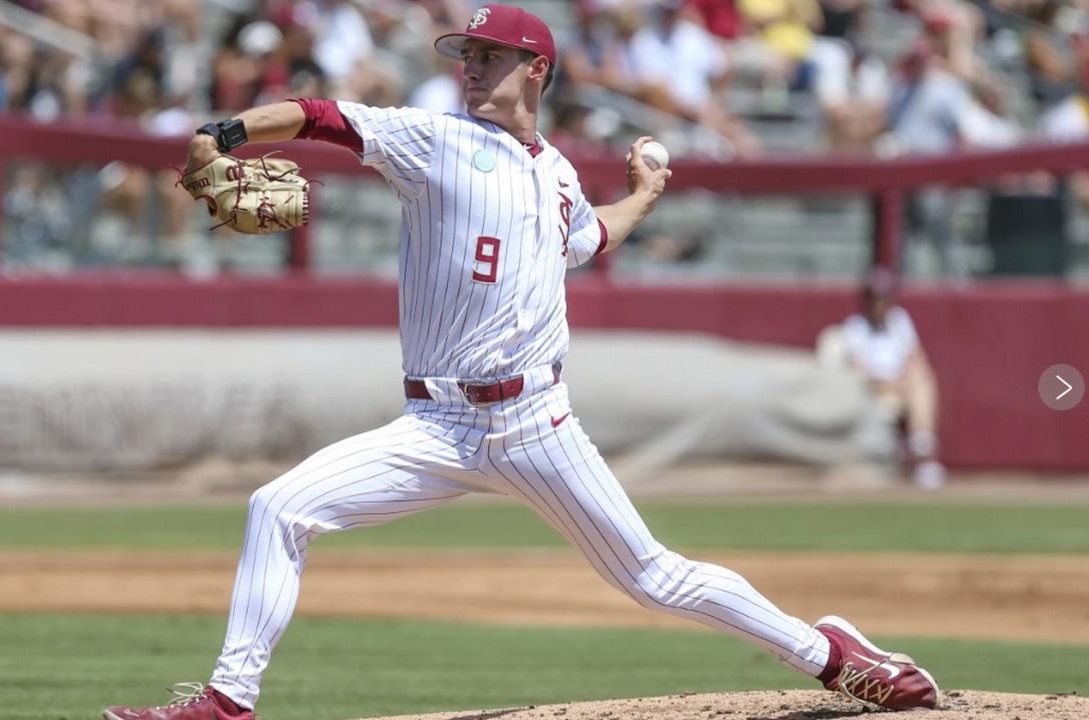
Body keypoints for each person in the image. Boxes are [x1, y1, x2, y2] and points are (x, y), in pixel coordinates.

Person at [102, 5, 939, 719]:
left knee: (654, 577)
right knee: (279, 506)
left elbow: (588, 237)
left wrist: (644, 193)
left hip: (534, 424)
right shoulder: (432, 142)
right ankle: (225, 703)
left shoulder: (559, 174)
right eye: (466, 54)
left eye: (490, 55)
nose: (472, 67)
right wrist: (224, 134)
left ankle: (834, 657)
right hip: (435, 425)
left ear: (536, 66)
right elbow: (322, 115)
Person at [840, 267, 945, 490]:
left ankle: (922, 453)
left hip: (903, 386)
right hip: (871, 391)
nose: (879, 304)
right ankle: (920, 453)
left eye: (884, 298)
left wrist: (904, 382)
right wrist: (890, 384)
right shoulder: (854, 328)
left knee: (923, 382)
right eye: (875, 298)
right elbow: (857, 374)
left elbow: (916, 358)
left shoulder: (900, 321)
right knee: (916, 383)